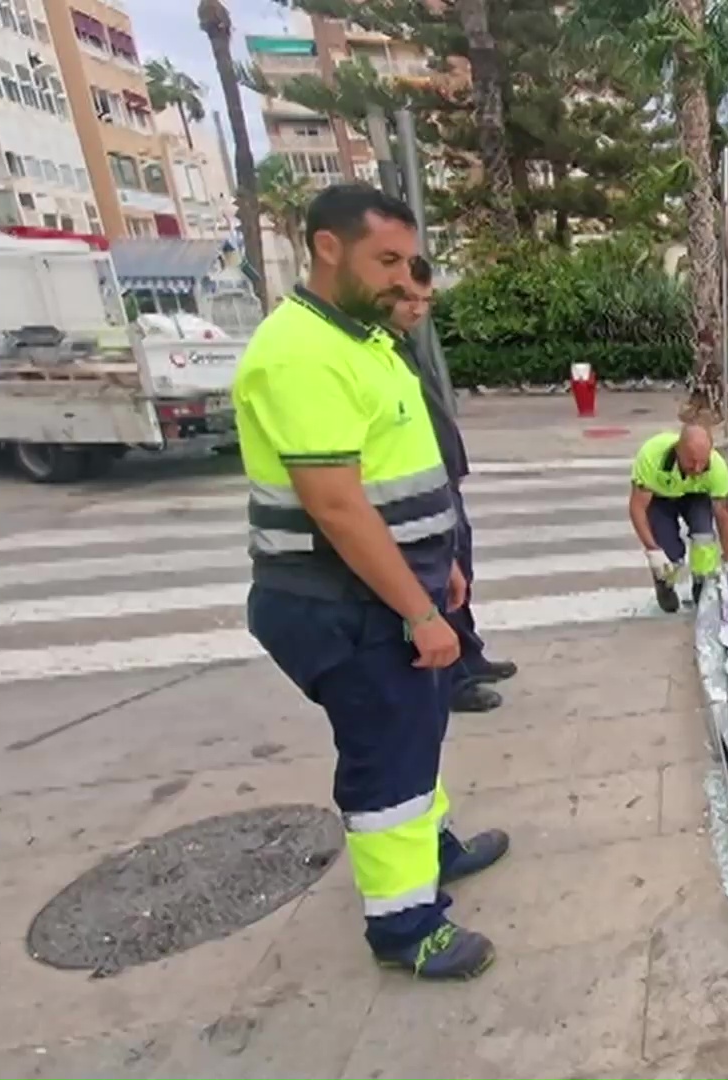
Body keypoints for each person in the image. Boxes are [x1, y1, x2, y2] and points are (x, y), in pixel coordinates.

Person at [233, 183, 506, 981]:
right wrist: (419, 611)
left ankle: (434, 849)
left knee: (417, 731)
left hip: (391, 588)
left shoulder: (362, 344)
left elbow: (398, 479)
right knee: (386, 756)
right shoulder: (299, 354)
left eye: (407, 260)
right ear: (326, 247)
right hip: (344, 603)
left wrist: (443, 561)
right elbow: (338, 506)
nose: (402, 277)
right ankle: (405, 927)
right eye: (384, 259)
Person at [388, 255, 517, 713]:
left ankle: (470, 653)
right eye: (409, 298)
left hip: (442, 481)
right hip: (420, 491)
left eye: (425, 300)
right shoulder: (379, 350)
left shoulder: (404, 345)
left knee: (460, 571)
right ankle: (454, 679)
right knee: (441, 582)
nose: (418, 309)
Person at [629, 424, 728, 612]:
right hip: (661, 496)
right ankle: (664, 583)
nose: (697, 468)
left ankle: (702, 584)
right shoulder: (651, 457)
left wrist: (727, 553)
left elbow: (723, 514)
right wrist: (652, 549)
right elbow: (637, 507)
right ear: (679, 450)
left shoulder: (717, 469)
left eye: (703, 462)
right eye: (691, 461)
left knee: (704, 537)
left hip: (695, 496)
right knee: (670, 554)